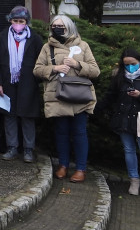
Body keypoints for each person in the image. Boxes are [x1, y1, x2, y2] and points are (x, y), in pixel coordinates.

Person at [33, 15, 100, 183]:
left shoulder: (83, 46)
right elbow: (37, 70)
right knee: (61, 133)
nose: (56, 28)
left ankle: (80, 169)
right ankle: (63, 165)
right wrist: (54, 68)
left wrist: (77, 65)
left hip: (80, 97)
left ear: (69, 27)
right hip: (58, 96)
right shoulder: (47, 48)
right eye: (54, 25)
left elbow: (95, 71)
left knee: (79, 133)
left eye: (60, 26)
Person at [0, 6, 43, 162]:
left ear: (26, 22)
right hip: (8, 83)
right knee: (10, 116)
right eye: (15, 21)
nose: (18, 24)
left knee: (28, 117)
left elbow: (41, 61)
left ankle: (28, 149)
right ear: (10, 21)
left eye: (21, 21)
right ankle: (12, 147)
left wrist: (37, 80)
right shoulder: (2, 37)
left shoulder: (35, 38)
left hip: (28, 83)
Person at [99, 47, 140, 195]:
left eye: (133, 63)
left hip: (139, 119)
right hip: (123, 118)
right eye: (126, 64)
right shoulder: (119, 77)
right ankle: (134, 180)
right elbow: (110, 97)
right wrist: (96, 109)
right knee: (129, 150)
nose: (130, 67)